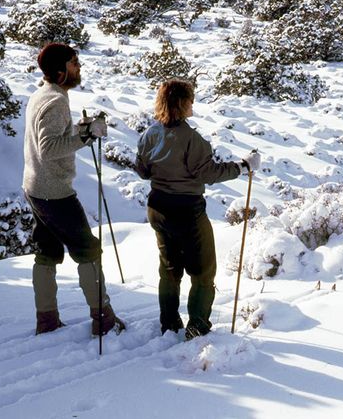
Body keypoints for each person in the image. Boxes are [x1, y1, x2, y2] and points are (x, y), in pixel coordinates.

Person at [136, 79, 260, 340]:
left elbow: (143, 171)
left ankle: (169, 323)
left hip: (158, 207)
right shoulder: (192, 139)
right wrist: (243, 166)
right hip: (187, 210)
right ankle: (197, 327)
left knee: (169, 269)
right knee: (203, 272)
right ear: (182, 103)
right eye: (190, 99)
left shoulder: (150, 135)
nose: (193, 104)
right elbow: (209, 173)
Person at [23, 42, 125, 336]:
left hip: (34, 186)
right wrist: (88, 136)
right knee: (88, 251)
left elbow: (52, 136)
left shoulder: (42, 94)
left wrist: (81, 128)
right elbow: (49, 148)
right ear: (59, 70)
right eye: (73, 62)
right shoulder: (55, 101)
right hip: (55, 191)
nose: (78, 66)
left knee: (47, 251)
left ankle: (47, 320)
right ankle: (103, 319)